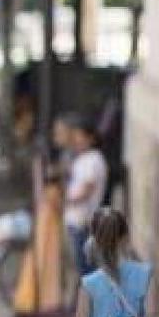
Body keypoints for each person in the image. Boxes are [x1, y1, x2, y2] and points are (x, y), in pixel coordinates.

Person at [63, 114, 109, 278]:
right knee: (83, 268)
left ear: (90, 138)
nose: (76, 141)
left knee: (87, 270)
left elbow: (86, 190)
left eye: (79, 137)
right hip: (76, 220)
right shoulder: (83, 159)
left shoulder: (94, 159)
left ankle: (95, 303)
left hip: (83, 221)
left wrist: (63, 199)